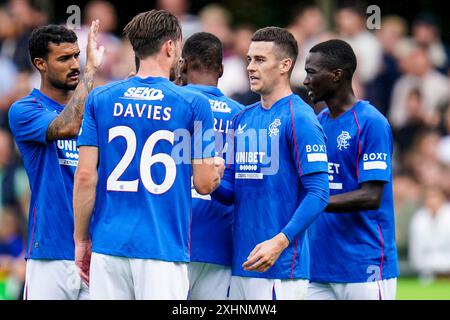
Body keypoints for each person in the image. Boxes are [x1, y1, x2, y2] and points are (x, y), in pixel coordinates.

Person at [73, 10, 223, 300]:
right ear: (170, 47)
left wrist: (81, 238)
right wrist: (217, 168)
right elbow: (204, 184)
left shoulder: (101, 97)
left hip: (109, 245)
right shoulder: (194, 103)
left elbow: (85, 175)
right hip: (162, 247)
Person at [212, 26, 329, 300]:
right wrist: (213, 180)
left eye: (260, 60)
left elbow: (319, 193)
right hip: (242, 264)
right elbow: (231, 193)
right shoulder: (242, 118)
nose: (250, 67)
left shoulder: (300, 117)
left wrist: (280, 242)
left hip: (281, 270)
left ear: (285, 65)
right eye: (249, 59)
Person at [7, 21, 104, 299]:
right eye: (64, 58)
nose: (74, 64)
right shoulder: (25, 109)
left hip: (96, 253)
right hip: (49, 252)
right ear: (40, 64)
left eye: (76, 55)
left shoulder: (96, 110)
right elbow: (68, 125)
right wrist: (91, 73)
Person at [303, 39, 399, 300]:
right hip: (319, 267)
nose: (305, 80)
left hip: (364, 266)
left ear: (336, 75)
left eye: (311, 72)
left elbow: (371, 196)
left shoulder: (371, 123)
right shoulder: (316, 123)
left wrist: (315, 203)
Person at [177, 32, 243, 299]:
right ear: (221, 69)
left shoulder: (171, 103)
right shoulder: (242, 114)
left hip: (173, 236)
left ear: (183, 64)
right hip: (220, 240)